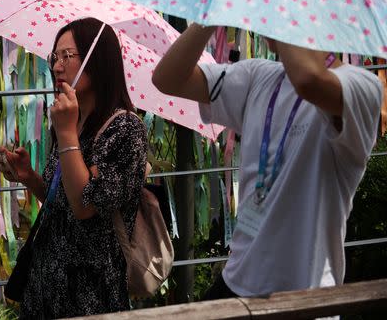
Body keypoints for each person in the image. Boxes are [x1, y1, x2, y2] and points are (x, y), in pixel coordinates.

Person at [152, 24, 383, 299]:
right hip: (236, 284)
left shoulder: (362, 86)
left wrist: (284, 13)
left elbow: (309, 80)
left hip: (306, 298)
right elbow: (167, 79)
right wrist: (209, 17)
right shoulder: (258, 76)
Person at [0, 17, 149, 318]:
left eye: (68, 56)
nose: (56, 66)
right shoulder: (75, 122)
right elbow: (63, 204)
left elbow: (86, 204)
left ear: (98, 61)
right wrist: (29, 178)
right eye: (55, 56)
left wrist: (65, 133)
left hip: (90, 293)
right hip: (45, 284)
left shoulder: (126, 130)